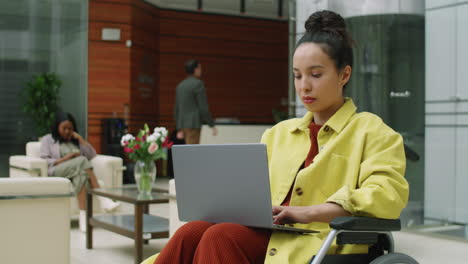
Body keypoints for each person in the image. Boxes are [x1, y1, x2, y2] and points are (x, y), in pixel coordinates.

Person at [148, 10, 409, 264]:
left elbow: (386, 196)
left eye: (315, 75)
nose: (304, 85)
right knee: (190, 232)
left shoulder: (373, 132)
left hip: (321, 239)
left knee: (220, 237)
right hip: (270, 232)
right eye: (297, 75)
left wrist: (307, 212)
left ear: (345, 74)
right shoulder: (278, 133)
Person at [40, 112, 120, 232]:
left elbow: (92, 155)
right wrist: (68, 157)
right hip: (57, 171)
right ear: (57, 127)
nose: (67, 131)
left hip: (75, 171)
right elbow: (45, 161)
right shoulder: (48, 139)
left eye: (70, 128)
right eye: (64, 128)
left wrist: (81, 140)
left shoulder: (74, 140)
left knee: (82, 175)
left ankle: (83, 218)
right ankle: (103, 198)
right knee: (82, 160)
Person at [174, 59, 218, 144]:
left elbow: (176, 109)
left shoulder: (180, 85)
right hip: (194, 124)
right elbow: (203, 108)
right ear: (195, 69)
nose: (201, 70)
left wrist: (178, 128)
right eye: (200, 68)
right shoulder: (198, 84)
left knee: (188, 151)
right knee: (192, 152)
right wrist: (211, 124)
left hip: (183, 125)